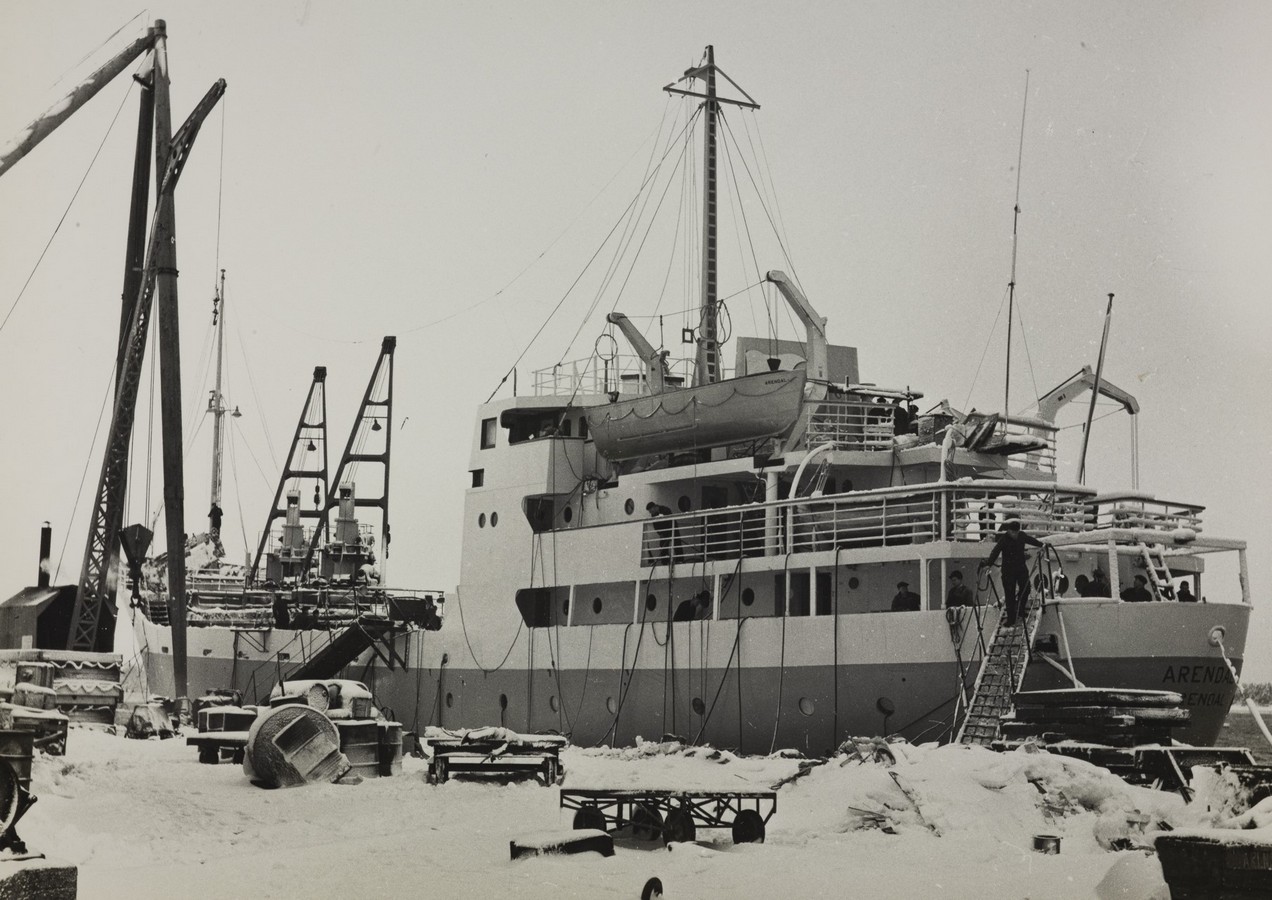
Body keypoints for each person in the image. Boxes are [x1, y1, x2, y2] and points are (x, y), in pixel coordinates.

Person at [983, 518, 1043, 626]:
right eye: (1013, 532)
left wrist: (1042, 544)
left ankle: (1020, 609)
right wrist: (988, 564)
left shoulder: (1021, 536)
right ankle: (1011, 619)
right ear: (1009, 531)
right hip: (1008, 571)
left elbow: (1031, 540)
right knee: (1009, 594)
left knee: (1026, 588)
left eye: (1016, 532)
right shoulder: (1004, 539)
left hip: (1020, 568)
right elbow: (995, 551)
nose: (1015, 534)